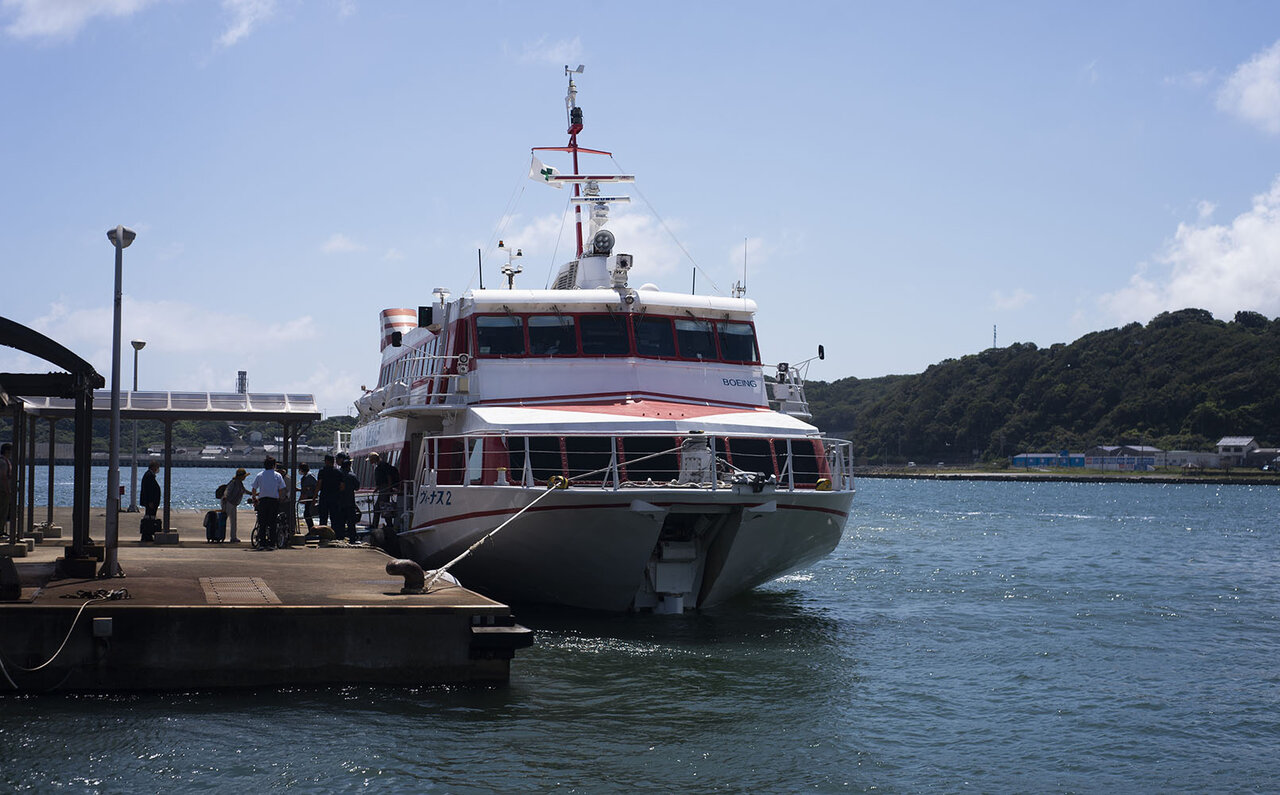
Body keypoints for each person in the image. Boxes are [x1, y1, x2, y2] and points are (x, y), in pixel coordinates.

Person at [252, 456, 288, 550]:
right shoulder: (277, 475)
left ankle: (262, 543)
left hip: (263, 501)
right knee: (272, 523)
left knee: (262, 523)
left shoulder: (259, 475)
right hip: (273, 501)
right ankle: (272, 544)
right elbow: (281, 489)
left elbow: (254, 488)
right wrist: (280, 498)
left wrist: (254, 498)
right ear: (274, 465)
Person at [369, 452, 401, 529]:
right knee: (380, 507)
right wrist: (377, 489)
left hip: (385, 488)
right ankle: (377, 524)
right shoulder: (380, 466)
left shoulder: (383, 466)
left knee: (383, 506)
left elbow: (388, 477)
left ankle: (387, 524)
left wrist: (389, 489)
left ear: (373, 459)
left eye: (370, 460)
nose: (370, 462)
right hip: (382, 488)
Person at [221, 468, 250, 543]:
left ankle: (233, 537)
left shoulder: (240, 483)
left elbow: (244, 491)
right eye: (244, 476)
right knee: (223, 519)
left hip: (233, 503)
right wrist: (225, 497)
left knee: (234, 521)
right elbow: (227, 490)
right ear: (241, 476)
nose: (245, 477)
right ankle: (220, 535)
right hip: (227, 502)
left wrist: (253, 494)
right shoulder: (233, 482)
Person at [316, 454, 343, 529]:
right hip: (335, 497)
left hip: (324, 496)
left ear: (327, 461)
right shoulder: (338, 472)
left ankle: (323, 536)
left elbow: (319, 485)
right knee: (334, 517)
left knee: (323, 517)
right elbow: (342, 486)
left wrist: (314, 497)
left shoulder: (322, 471)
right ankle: (334, 534)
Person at [338, 454, 360, 543]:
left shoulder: (338, 474)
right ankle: (352, 539)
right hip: (350, 502)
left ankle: (340, 538)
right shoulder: (352, 476)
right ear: (349, 466)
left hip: (339, 502)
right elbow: (357, 487)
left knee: (340, 522)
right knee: (351, 523)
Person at [298, 462, 318, 532]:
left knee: (307, 514)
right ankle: (311, 530)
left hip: (311, 497)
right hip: (307, 497)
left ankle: (312, 530)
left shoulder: (310, 476)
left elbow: (316, 486)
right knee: (307, 514)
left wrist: (310, 490)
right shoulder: (305, 477)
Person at [0, 443, 12, 535]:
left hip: (3, 490)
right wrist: (8, 490)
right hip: (3, 491)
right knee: (3, 511)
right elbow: (3, 477)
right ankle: (0, 531)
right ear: (7, 451)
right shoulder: (3, 462)